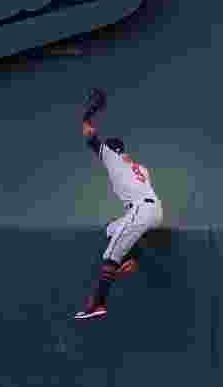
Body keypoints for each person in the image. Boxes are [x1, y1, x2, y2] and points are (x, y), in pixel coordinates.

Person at [74, 118, 163, 320]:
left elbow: (91, 136)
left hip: (141, 209)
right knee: (112, 228)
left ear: (113, 151)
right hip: (152, 209)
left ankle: (98, 303)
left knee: (111, 255)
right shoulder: (140, 167)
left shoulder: (113, 158)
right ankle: (133, 257)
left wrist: (87, 115)